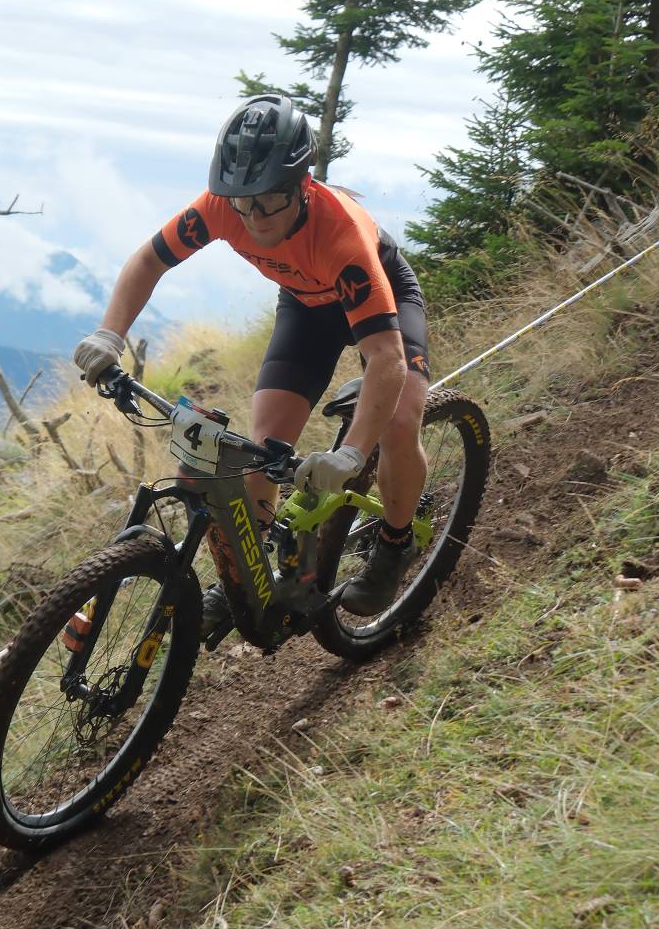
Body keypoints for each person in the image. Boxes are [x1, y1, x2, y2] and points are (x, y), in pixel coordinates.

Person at [73, 92, 431, 626]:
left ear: (302, 185)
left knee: (398, 423)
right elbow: (148, 260)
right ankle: (250, 576)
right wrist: (109, 334)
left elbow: (385, 358)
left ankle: (395, 544)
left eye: (268, 201)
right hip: (306, 307)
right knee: (263, 450)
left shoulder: (343, 238)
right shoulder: (222, 206)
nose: (253, 216)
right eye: (243, 202)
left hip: (382, 299)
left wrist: (353, 455)